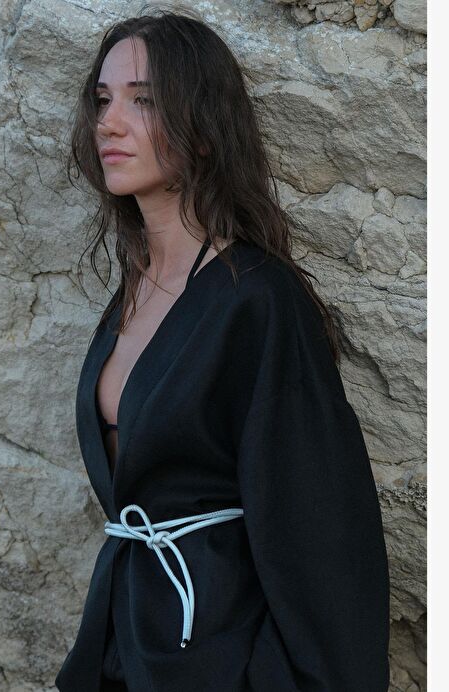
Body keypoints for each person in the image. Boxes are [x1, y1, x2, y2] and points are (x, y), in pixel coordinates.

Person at [55, 6, 390, 691]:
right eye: (103, 99)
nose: (109, 122)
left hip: (217, 659)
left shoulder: (257, 300)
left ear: (204, 131)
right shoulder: (134, 291)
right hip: (124, 639)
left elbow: (320, 528)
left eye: (144, 101)